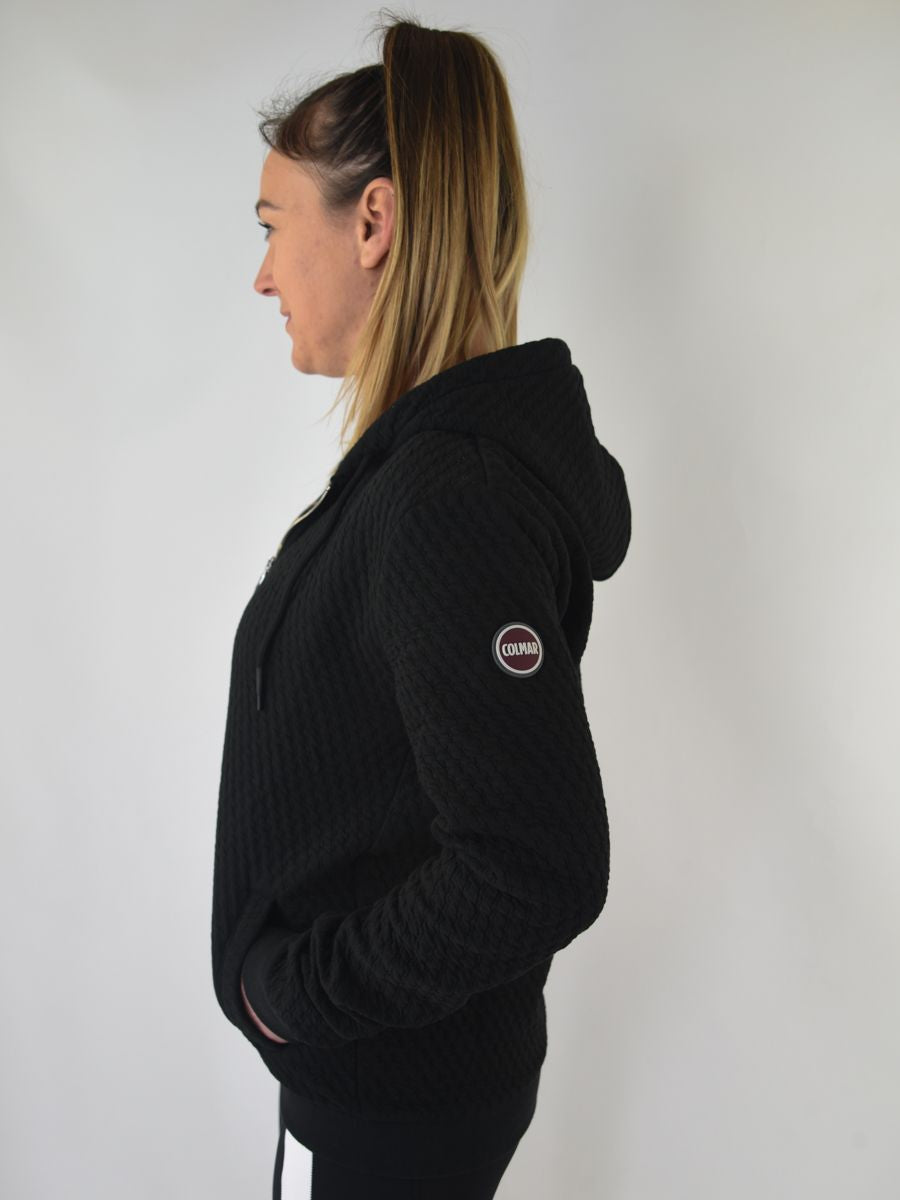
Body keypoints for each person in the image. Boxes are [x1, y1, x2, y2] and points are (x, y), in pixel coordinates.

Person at [210, 13, 632, 1199]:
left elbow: (533, 863)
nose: (262, 273)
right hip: (382, 1092)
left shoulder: (450, 496)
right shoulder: (426, 471)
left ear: (374, 222)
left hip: (389, 1108)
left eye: (273, 225)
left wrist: (296, 996)